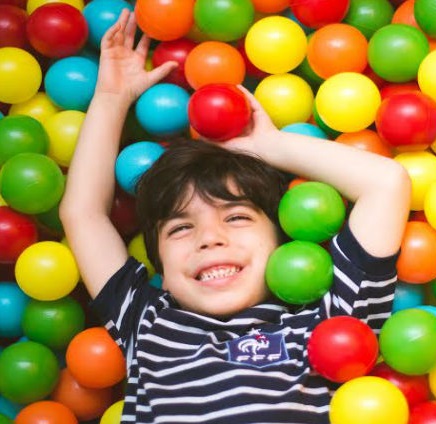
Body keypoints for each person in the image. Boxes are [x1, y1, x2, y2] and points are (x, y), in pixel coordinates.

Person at [59, 9, 411, 424]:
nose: (209, 238)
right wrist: (111, 98)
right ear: (160, 270)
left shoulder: (328, 316)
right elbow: (82, 214)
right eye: (181, 227)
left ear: (281, 239)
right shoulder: (147, 322)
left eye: (236, 218)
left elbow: (386, 183)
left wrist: (271, 148)